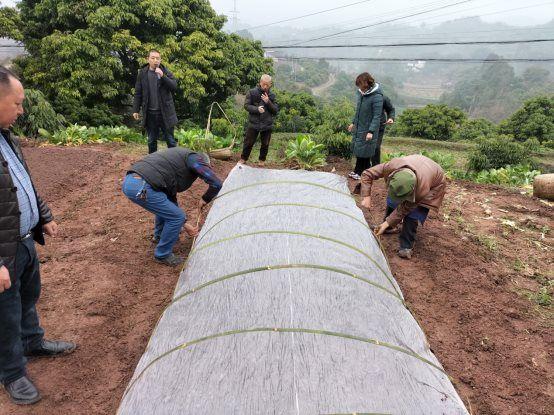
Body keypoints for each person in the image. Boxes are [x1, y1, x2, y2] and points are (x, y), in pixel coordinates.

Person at [0, 66, 76, 405]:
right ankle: (13, 372)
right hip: (4, 253)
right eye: (16, 104)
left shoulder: (7, 139)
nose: (21, 111)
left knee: (29, 296)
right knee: (6, 313)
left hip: (24, 242)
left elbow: (23, 182)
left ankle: (33, 341)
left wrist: (42, 216)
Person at [122, 148, 222, 266]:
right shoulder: (195, 159)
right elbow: (216, 183)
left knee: (169, 211)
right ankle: (162, 255)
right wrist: (205, 199)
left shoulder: (177, 160)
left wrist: (184, 223)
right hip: (141, 186)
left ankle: (159, 236)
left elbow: (169, 198)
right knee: (177, 217)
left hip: (131, 181)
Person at [360, 154, 446, 259]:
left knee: (413, 213)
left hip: (434, 181)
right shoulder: (391, 166)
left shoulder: (421, 189)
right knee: (392, 201)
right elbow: (367, 174)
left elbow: (404, 209)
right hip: (418, 165)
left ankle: (406, 245)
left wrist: (385, 223)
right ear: (392, 177)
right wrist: (366, 196)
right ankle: (389, 228)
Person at [132, 49, 178, 154]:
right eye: (153, 58)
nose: (155, 60)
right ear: (148, 59)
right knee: (151, 140)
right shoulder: (142, 73)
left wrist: (163, 76)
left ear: (160, 60)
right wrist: (135, 110)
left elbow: (174, 87)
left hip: (165, 113)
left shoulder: (165, 72)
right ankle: (152, 162)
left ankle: (176, 161)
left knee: (170, 140)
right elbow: (138, 92)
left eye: (157, 58)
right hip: (150, 113)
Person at [347, 72, 384, 181]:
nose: (359, 88)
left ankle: (364, 173)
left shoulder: (377, 96)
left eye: (360, 86)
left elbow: (377, 116)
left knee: (366, 152)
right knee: (359, 150)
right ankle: (357, 170)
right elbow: (358, 111)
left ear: (366, 84)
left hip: (368, 128)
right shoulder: (361, 94)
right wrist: (353, 123)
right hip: (360, 127)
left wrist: (371, 131)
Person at [238, 74, 279, 166]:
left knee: (265, 143)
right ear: (260, 82)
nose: (265, 86)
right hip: (254, 122)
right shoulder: (252, 92)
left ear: (270, 84)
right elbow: (246, 105)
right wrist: (257, 109)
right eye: (264, 84)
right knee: (248, 142)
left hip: (267, 124)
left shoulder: (272, 95)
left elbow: (275, 110)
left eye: (267, 85)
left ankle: (262, 160)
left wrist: (268, 102)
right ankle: (243, 158)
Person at [372, 95, 395, 167]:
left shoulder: (383, 98)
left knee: (376, 147)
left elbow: (391, 109)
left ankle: (376, 168)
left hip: (379, 126)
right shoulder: (365, 96)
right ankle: (365, 167)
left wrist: (391, 118)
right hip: (365, 126)